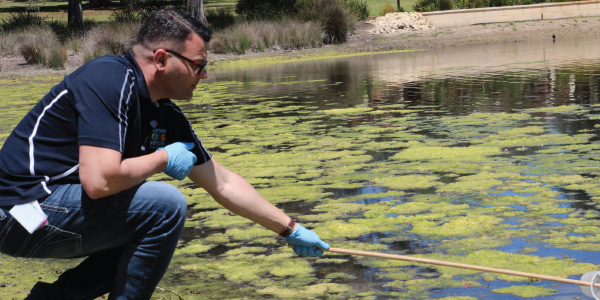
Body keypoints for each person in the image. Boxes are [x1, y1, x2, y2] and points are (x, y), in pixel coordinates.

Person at [0, 8, 329, 300]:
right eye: (198, 65)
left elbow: (223, 182)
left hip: (48, 213)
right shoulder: (108, 80)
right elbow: (98, 181)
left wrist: (290, 228)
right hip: (18, 213)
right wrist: (161, 159)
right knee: (165, 207)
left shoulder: (164, 115)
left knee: (147, 223)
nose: (204, 76)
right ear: (161, 59)